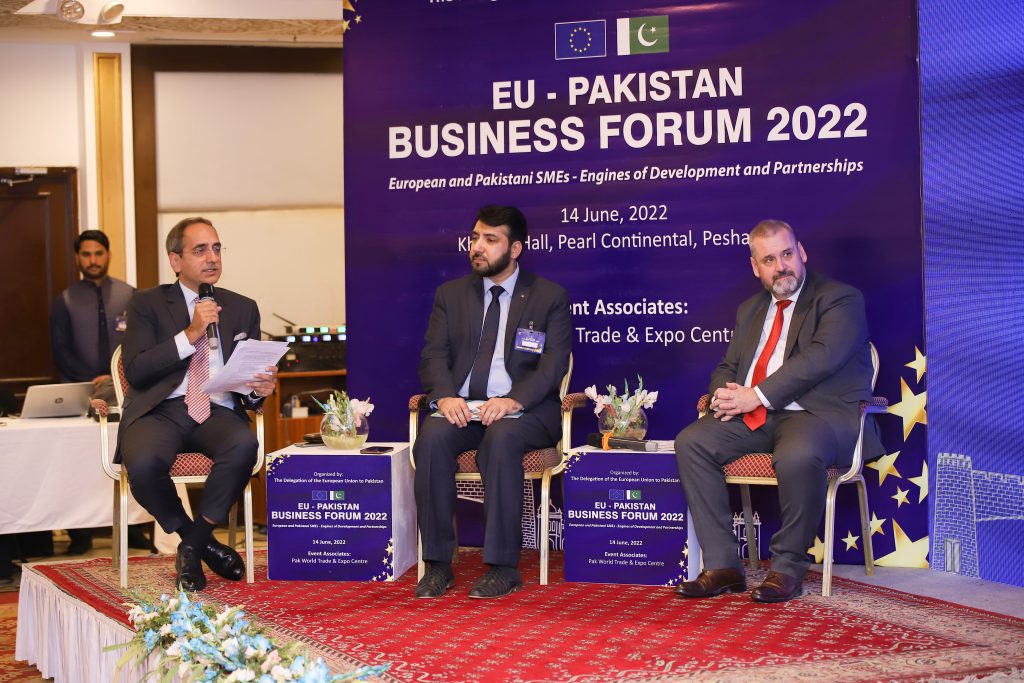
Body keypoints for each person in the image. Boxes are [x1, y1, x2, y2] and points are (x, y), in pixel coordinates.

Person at [673, 219, 883, 603]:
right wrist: (724, 394)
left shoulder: (840, 298)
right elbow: (728, 366)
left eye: (787, 254)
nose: (781, 266)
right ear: (756, 267)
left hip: (821, 416)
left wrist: (757, 396)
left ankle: (787, 568)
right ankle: (722, 566)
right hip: (759, 417)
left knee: (797, 453)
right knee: (692, 442)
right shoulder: (750, 309)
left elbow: (821, 358)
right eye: (769, 259)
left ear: (802, 252)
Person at [414, 205, 572, 599]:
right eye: (474, 238)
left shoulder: (548, 297)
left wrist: (513, 400)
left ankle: (503, 567)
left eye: (490, 239)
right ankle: (437, 565)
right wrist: (445, 396)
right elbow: (434, 355)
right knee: (431, 438)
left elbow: (552, 366)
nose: (477, 247)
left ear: (515, 248)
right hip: (464, 406)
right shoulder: (451, 295)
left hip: (525, 411)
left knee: (501, 439)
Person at [116, 217, 277, 591]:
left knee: (244, 445)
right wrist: (190, 334)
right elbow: (136, 370)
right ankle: (201, 543)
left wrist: (259, 389)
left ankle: (191, 546)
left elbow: (247, 386)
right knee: (142, 462)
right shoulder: (146, 304)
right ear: (175, 260)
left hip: (217, 410)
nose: (212, 257)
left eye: (217, 248)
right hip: (161, 410)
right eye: (200, 250)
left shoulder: (242, 307)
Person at [49, 229, 135, 555]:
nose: (93, 260)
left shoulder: (130, 295)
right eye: (86, 254)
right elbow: (61, 350)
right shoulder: (65, 300)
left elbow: (140, 342)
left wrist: (113, 376)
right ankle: (79, 534)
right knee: (78, 464)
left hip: (125, 392)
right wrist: (91, 379)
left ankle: (135, 528)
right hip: (81, 391)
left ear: (108, 255)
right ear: (77, 258)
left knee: (130, 453)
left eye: (98, 253)